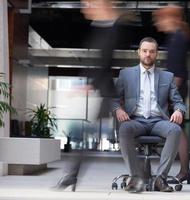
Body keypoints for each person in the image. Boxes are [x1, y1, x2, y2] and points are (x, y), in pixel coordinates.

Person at [52, 0, 121, 191]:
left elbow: (105, 62)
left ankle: (140, 176)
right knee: (87, 136)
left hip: (106, 94)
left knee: (119, 135)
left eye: (88, 3)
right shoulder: (100, 28)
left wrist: (89, 85)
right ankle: (71, 176)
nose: (84, 8)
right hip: (101, 92)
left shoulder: (112, 29)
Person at [113, 37, 186, 193]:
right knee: (124, 129)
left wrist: (179, 110)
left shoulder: (167, 77)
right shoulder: (125, 74)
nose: (148, 54)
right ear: (138, 52)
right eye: (145, 51)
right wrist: (118, 109)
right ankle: (135, 178)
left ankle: (161, 178)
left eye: (152, 51)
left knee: (175, 130)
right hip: (135, 120)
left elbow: (178, 101)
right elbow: (113, 99)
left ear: (156, 54)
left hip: (158, 121)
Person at [153, 6, 190, 184]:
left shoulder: (177, 39)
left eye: (159, 19)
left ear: (169, 18)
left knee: (177, 131)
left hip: (175, 90)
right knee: (179, 130)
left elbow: (176, 75)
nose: (157, 23)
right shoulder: (177, 37)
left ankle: (185, 171)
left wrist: (167, 98)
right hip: (176, 89)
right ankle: (185, 171)